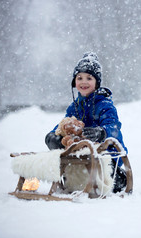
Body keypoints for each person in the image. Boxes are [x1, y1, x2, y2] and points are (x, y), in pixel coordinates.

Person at [45, 52, 127, 193]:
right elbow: (63, 126)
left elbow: (114, 127)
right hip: (81, 159)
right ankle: (75, 181)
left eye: (89, 78)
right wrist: (53, 136)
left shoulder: (105, 105)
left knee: (106, 173)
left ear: (97, 82)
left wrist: (102, 132)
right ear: (74, 82)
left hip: (107, 159)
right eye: (80, 78)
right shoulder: (74, 107)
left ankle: (119, 179)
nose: (84, 82)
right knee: (67, 153)